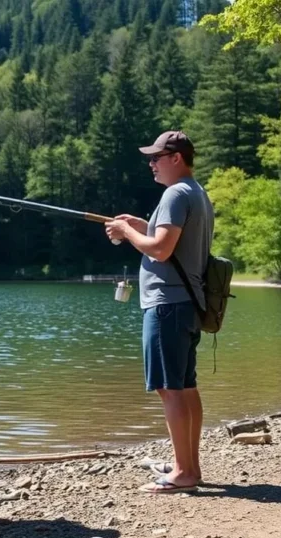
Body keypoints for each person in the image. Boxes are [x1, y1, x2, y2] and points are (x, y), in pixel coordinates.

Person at [104, 131, 215, 494]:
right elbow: (168, 240)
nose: (151, 163)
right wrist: (141, 226)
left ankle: (183, 471)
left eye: (157, 157)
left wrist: (125, 231)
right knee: (185, 386)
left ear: (177, 158)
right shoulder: (196, 192)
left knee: (169, 388)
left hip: (166, 305)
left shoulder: (174, 193)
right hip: (187, 304)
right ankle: (190, 466)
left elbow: (161, 250)